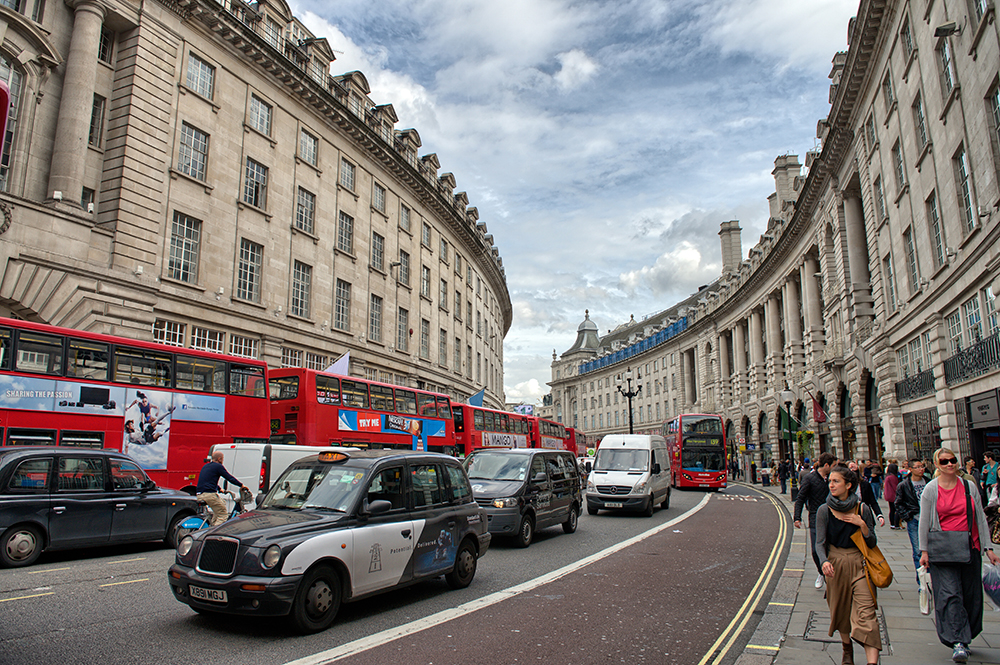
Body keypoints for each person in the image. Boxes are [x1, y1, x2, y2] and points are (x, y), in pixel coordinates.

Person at [918, 447, 999, 663]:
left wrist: (988, 548)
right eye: (944, 462)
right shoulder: (931, 490)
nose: (950, 464)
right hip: (943, 550)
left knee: (971, 595)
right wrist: (924, 551)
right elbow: (924, 522)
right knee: (950, 594)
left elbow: (980, 517)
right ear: (937, 465)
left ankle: (966, 634)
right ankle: (958, 641)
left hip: (970, 547)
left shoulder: (968, 485)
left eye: (952, 460)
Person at [816, 464, 881, 665]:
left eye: (836, 481)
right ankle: (847, 649)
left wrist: (861, 524)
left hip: (860, 563)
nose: (831, 485)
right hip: (835, 565)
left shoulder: (862, 508)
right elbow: (819, 543)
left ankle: (872, 662)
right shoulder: (824, 510)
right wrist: (824, 562)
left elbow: (872, 542)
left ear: (849, 485)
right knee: (841, 611)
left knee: (867, 613)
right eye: (830, 481)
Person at [794, 452, 837, 590]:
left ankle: (832, 575)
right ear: (826, 465)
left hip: (833, 518)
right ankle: (821, 572)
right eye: (833, 466)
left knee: (832, 549)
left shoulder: (832, 479)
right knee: (815, 550)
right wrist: (797, 517)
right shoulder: (810, 478)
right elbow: (800, 498)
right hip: (815, 518)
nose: (834, 468)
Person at [895, 457, 928, 586]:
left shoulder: (929, 482)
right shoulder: (904, 485)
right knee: (918, 551)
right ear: (910, 469)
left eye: (922, 466)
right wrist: (908, 516)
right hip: (914, 520)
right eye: (918, 467)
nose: (921, 469)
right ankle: (922, 581)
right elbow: (898, 503)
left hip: (929, 520)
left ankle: (930, 577)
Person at [195, 451, 248, 526]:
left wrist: (219, 489)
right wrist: (241, 485)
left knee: (220, 506)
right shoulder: (218, 466)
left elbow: (208, 481)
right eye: (222, 459)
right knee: (223, 514)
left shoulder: (206, 466)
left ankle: (212, 526)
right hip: (209, 495)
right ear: (219, 459)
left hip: (200, 494)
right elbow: (229, 477)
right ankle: (214, 532)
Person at [847, 460, 885, 528]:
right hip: (850, 519)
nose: (853, 470)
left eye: (854, 467)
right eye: (851, 468)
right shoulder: (844, 486)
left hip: (865, 517)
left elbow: (872, 501)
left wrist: (879, 515)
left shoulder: (864, 484)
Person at [883, 462, 900, 529]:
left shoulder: (887, 476)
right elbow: (895, 487)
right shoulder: (893, 477)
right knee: (896, 510)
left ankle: (892, 524)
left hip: (889, 495)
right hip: (893, 495)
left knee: (892, 510)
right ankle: (896, 524)